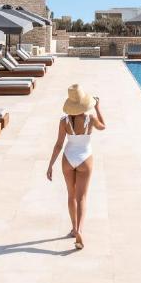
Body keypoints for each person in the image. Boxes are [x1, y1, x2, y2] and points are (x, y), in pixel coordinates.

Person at [46, 84, 106, 249]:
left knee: (71, 195)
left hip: (68, 159)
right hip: (85, 158)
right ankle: (80, 230)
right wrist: (98, 108)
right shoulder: (90, 119)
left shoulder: (64, 121)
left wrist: (50, 165)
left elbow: (58, 144)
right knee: (82, 197)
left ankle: (73, 229)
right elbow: (103, 126)